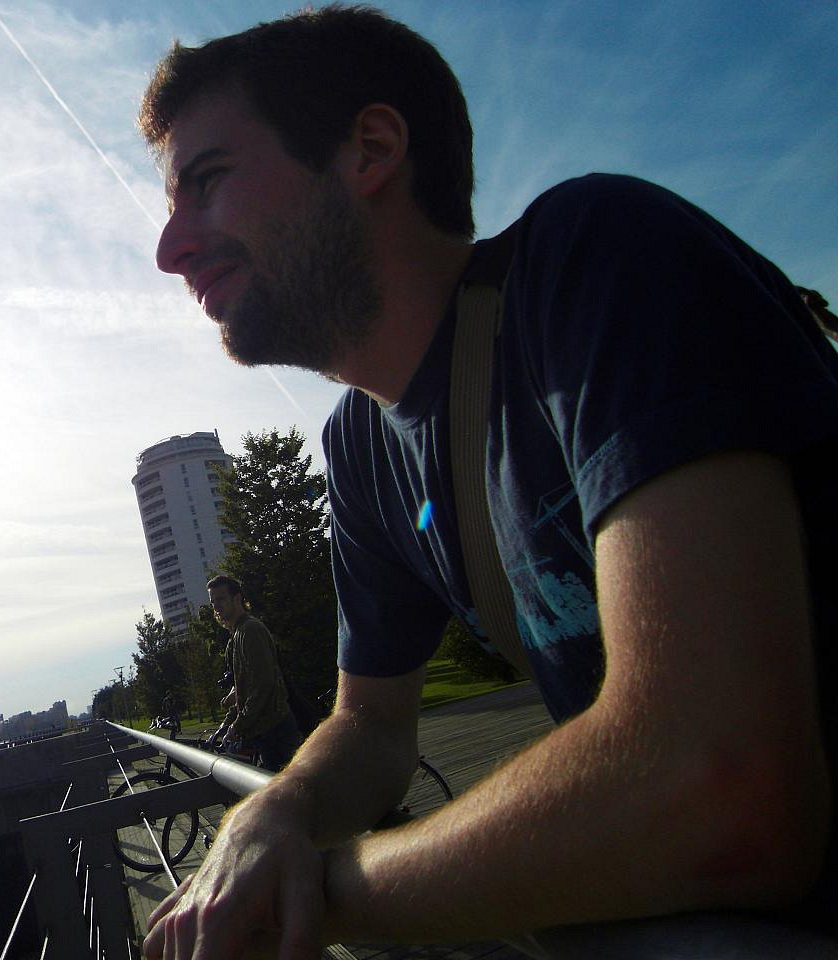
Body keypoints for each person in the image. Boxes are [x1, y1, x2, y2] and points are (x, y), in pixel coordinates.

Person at [137, 5, 837, 957]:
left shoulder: (597, 261)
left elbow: (719, 785)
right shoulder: (362, 447)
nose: (170, 247)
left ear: (371, 149)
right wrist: (277, 812)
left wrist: (312, 900)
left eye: (208, 181)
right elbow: (372, 727)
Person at [204, 575, 302, 771]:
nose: (216, 606)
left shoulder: (250, 630)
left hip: (275, 728)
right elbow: (244, 688)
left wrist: (238, 724)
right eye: (213, 601)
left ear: (237, 598)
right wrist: (228, 723)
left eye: (221, 599)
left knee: (288, 785)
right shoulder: (236, 634)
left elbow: (263, 685)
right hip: (262, 730)